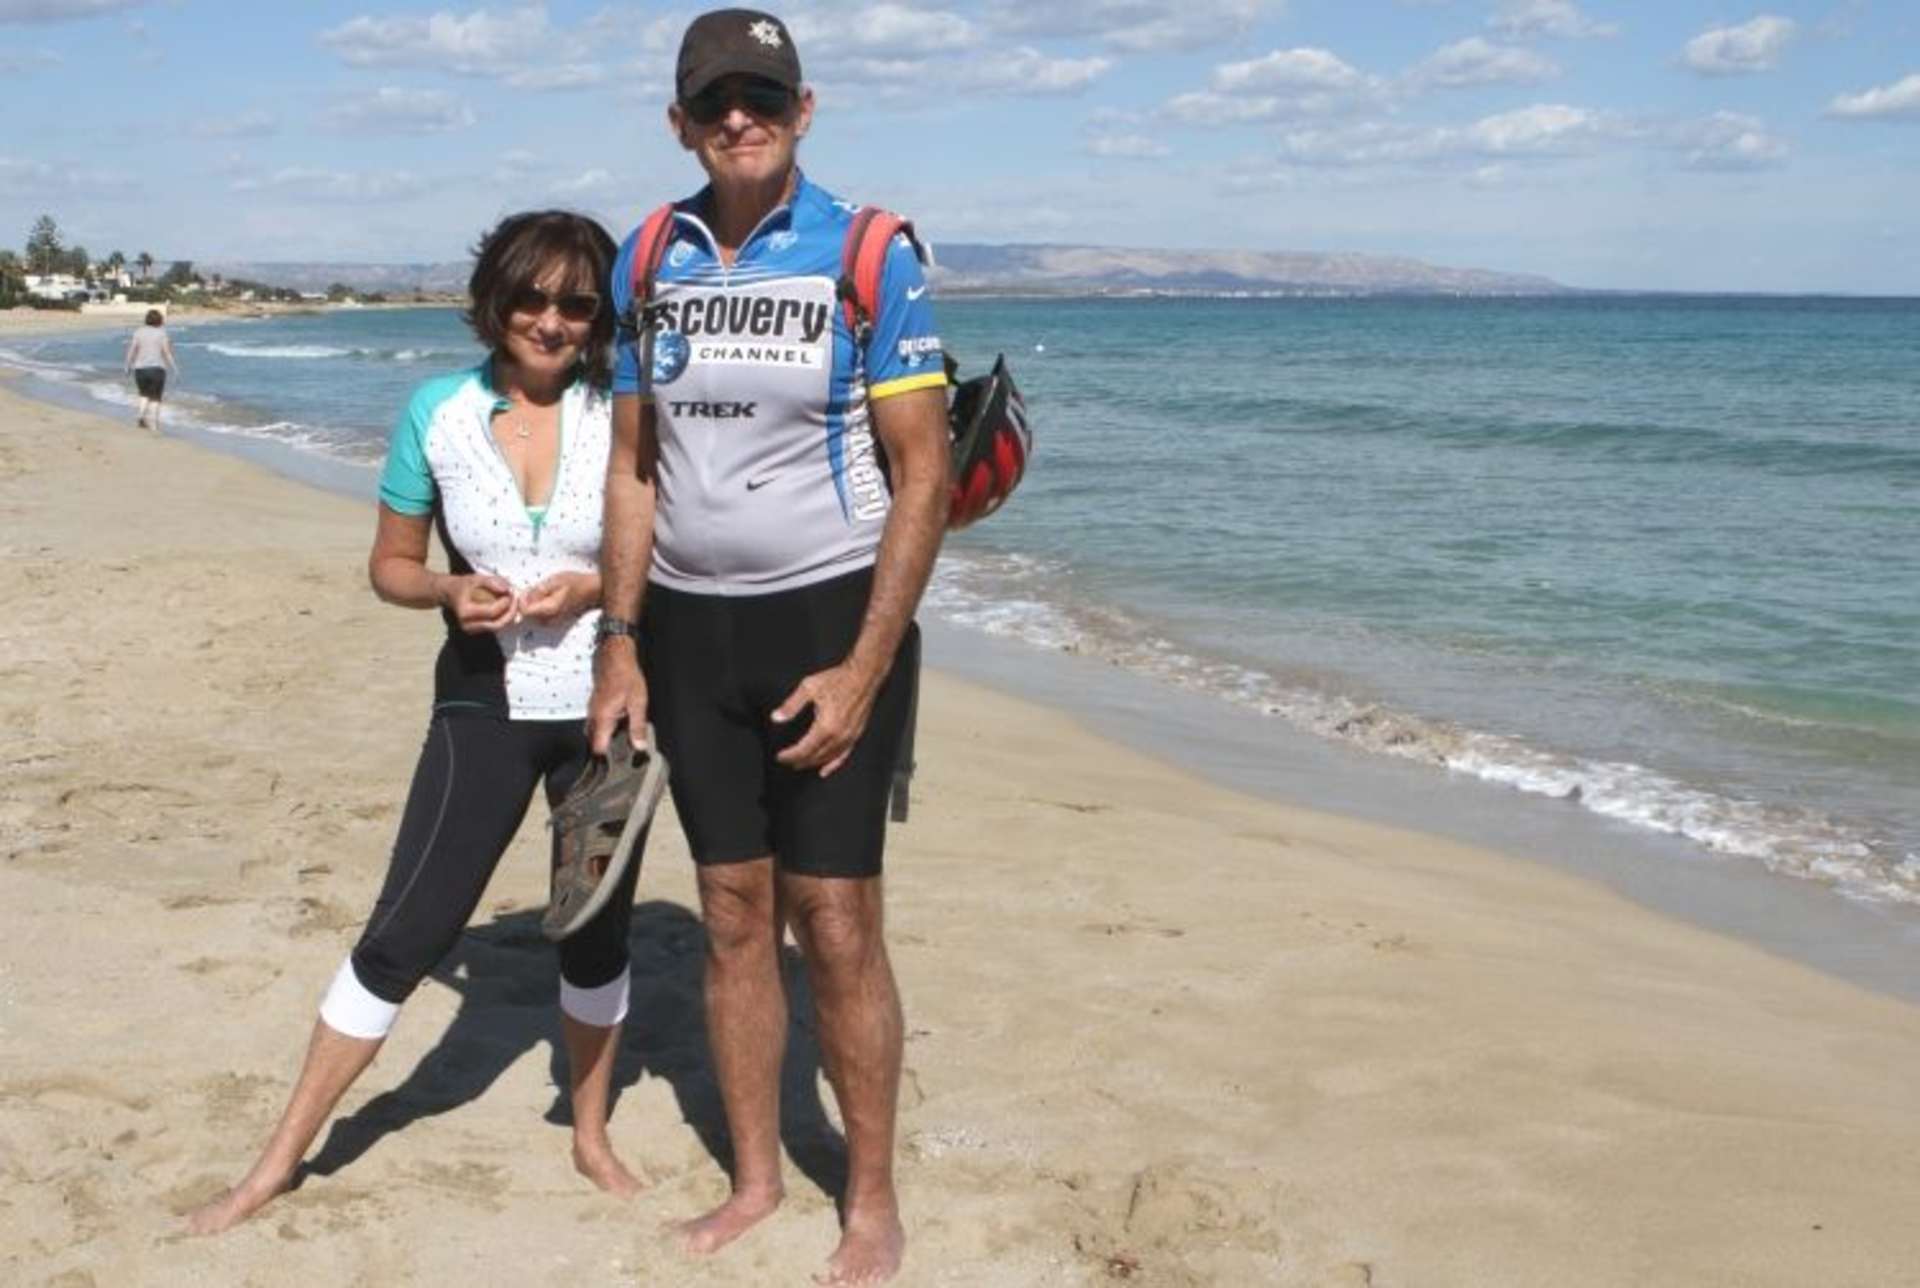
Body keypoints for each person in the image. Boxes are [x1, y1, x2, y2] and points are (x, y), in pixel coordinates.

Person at [188, 210, 647, 1235]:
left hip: (607, 709)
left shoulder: (624, 410)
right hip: (480, 701)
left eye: (578, 302)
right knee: (405, 931)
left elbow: (671, 555)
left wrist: (596, 589)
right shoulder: (435, 412)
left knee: (592, 927)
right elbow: (389, 564)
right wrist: (447, 592)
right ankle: (276, 1158)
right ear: (496, 298)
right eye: (532, 296)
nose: (552, 320)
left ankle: (589, 1131)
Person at [589, 9, 952, 1284]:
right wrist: (619, 640)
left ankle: (871, 1196)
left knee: (837, 917)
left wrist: (862, 665)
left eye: (762, 96)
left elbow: (925, 476)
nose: (737, 116)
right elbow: (635, 469)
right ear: (681, 122)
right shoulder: (650, 253)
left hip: (826, 618)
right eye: (713, 100)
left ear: (805, 111)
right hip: (688, 630)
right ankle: (753, 1177)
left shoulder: (869, 253)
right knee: (734, 911)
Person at [123, 308, 177, 431]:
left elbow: (132, 350)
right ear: (160, 320)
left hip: (140, 369)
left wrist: (127, 365)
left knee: (144, 394)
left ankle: (141, 415)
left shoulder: (138, 332)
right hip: (157, 369)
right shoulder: (162, 333)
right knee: (155, 398)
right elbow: (167, 353)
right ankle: (154, 425)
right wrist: (174, 368)